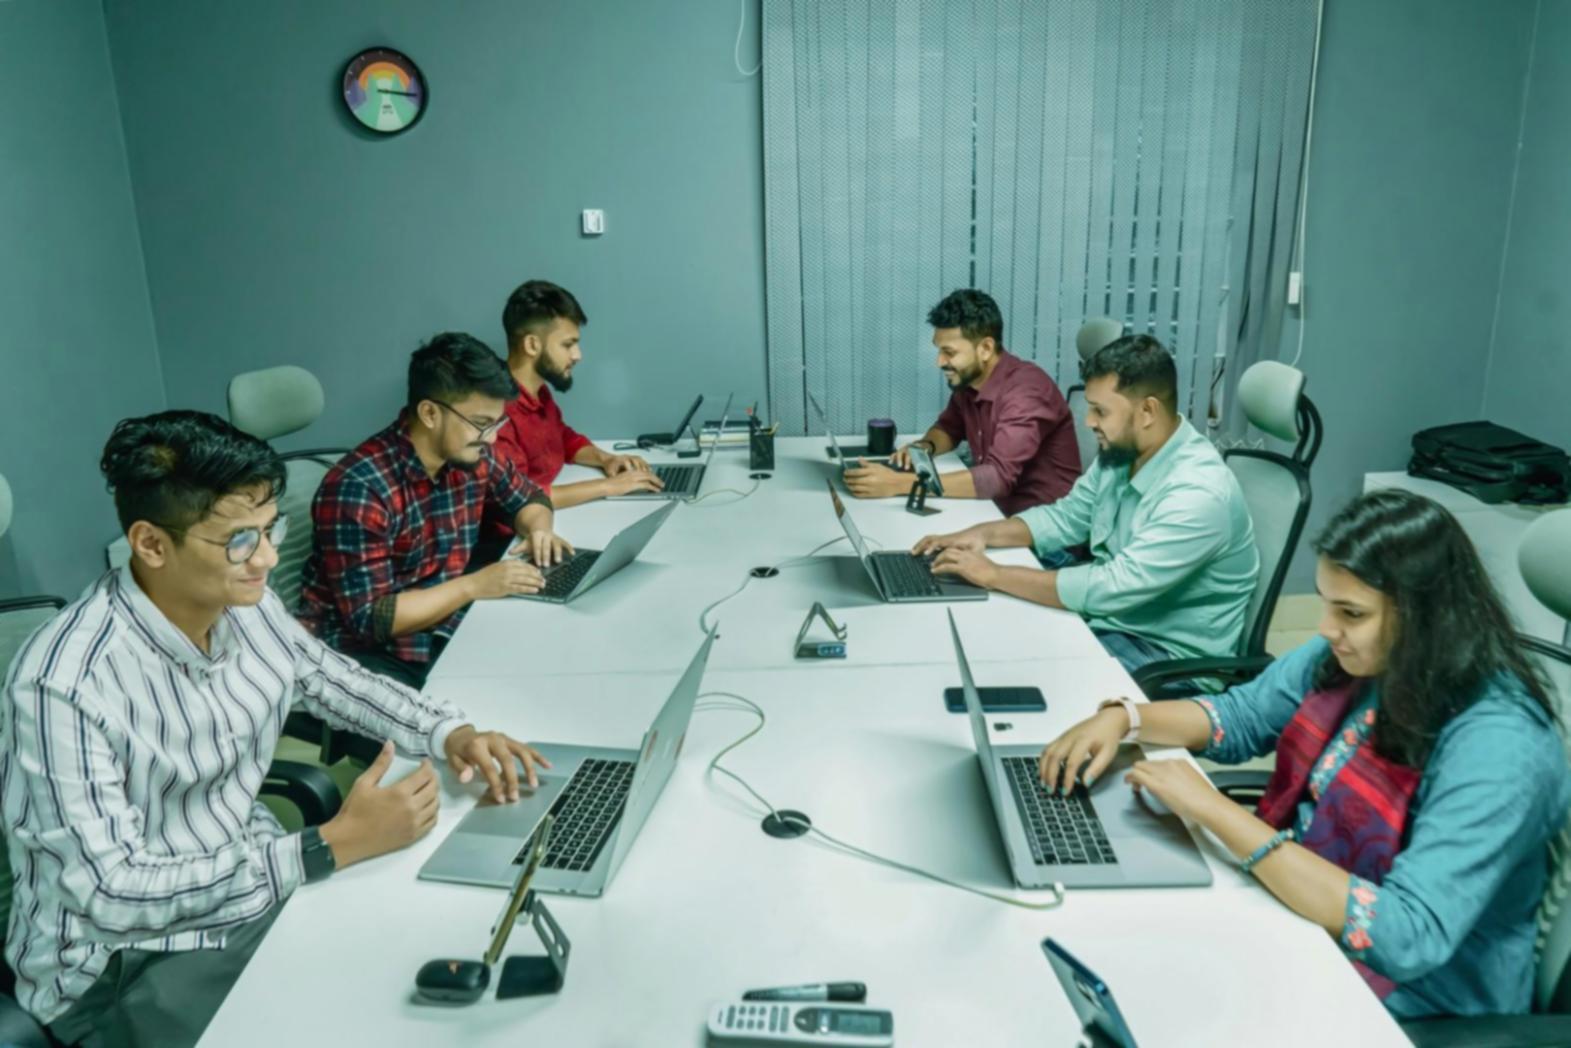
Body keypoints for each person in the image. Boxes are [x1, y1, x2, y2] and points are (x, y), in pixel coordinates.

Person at [0, 410, 553, 1047]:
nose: (265, 558)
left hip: (246, 887)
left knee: (416, 968)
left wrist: (449, 732)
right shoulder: (62, 683)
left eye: (269, 531)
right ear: (151, 544)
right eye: (240, 540)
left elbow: (332, 679)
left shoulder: (247, 601)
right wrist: (321, 848)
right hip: (122, 966)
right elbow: (111, 895)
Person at [1039, 490, 1571, 1019]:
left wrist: (1214, 810)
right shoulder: (1364, 657)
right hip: (1305, 916)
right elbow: (1243, 716)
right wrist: (1125, 719)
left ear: (1424, 616)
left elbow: (1408, 934)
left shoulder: (1502, 745)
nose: (1326, 628)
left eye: (1351, 613)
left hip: (1418, 1002)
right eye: (1326, 602)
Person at [913, 334, 1258, 673]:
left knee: (1018, 672)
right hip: (1110, 621)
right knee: (988, 638)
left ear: (1148, 411)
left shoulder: (1197, 493)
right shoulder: (1125, 455)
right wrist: (982, 534)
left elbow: (1113, 587)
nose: (1088, 421)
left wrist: (994, 574)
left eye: (1100, 411)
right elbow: (1067, 517)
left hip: (1161, 653)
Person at [298, 332, 573, 691]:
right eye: (480, 424)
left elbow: (530, 498)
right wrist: (474, 586)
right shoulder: (358, 487)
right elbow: (372, 619)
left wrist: (539, 530)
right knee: (488, 715)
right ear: (429, 413)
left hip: (441, 626)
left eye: (497, 424)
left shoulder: (474, 455)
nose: (491, 438)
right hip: (365, 658)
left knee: (550, 659)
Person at [843, 288, 1080, 514]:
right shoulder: (970, 382)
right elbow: (948, 429)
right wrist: (924, 447)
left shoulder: (1027, 392)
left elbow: (997, 478)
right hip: (994, 512)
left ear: (985, 348)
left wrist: (898, 483)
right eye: (939, 350)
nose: (940, 362)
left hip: (1041, 540)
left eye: (950, 352)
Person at [493, 279, 663, 510]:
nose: (577, 355)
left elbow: (563, 438)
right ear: (532, 345)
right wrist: (609, 487)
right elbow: (520, 496)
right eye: (567, 344)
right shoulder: (494, 411)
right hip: (514, 537)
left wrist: (607, 459)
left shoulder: (538, 391)